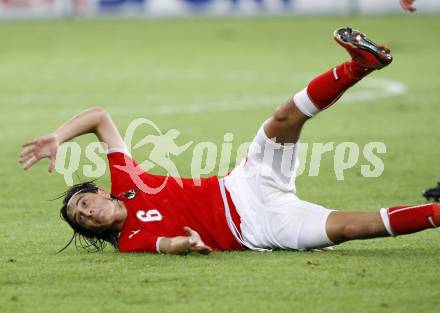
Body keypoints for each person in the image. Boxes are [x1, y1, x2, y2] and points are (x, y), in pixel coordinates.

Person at [20, 27, 440, 255]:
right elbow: (168, 244)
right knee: (352, 227)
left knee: (282, 119)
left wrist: (58, 135)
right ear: (92, 230)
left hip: (244, 183)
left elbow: (99, 117)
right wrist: (188, 244)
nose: (86, 212)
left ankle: (360, 65)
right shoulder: (131, 243)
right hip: (260, 227)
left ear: (99, 191)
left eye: (82, 202)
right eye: (81, 218)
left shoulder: (127, 180)